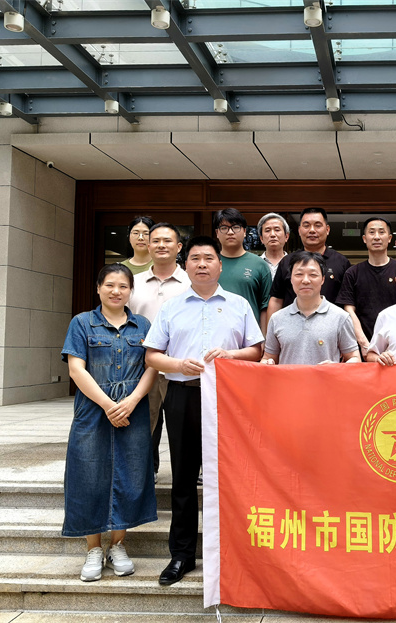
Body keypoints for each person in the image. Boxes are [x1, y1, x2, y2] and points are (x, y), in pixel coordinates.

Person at [144, 236, 264, 586]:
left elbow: (256, 351)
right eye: (194, 258)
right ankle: (182, 555)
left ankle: (234, 552)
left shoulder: (239, 304)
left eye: (208, 258)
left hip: (229, 399)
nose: (201, 264)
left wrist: (231, 355)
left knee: (231, 477)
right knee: (183, 478)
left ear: (220, 265)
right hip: (182, 396)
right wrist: (179, 364)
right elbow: (152, 356)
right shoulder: (172, 307)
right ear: (186, 265)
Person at [61, 264, 158, 582]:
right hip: (92, 410)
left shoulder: (143, 325)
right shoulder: (82, 323)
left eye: (123, 286)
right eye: (110, 285)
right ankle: (93, 548)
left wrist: (131, 401)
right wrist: (107, 405)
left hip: (133, 410)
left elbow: (152, 367)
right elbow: (76, 369)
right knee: (88, 475)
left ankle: (118, 545)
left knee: (130, 474)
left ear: (131, 291)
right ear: (98, 288)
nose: (116, 291)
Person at [128, 223, 190, 482]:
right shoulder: (134, 283)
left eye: (167, 241)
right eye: (156, 241)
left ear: (179, 247)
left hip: (181, 365)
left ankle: (190, 471)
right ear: (148, 246)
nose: (161, 245)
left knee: (184, 423)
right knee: (145, 420)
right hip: (142, 364)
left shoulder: (191, 282)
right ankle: (147, 469)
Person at [263, 251, 359, 365]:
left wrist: (336, 367)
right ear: (291, 279)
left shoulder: (341, 317)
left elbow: (355, 358)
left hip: (326, 377)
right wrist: (267, 363)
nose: (305, 280)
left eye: (313, 275)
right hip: (289, 377)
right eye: (299, 274)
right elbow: (268, 357)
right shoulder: (277, 319)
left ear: (323, 279)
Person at [335, 217, 396, 357]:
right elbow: (349, 310)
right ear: (365, 239)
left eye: (381, 232)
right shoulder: (353, 273)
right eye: (372, 232)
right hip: (363, 347)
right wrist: (364, 343)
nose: (376, 237)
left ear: (389, 238)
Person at [268, 207, 350, 315]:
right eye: (306, 226)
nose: (312, 230)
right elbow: (276, 300)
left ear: (327, 229)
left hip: (331, 324)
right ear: (299, 230)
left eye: (318, 225)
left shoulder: (341, 262)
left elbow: (348, 303)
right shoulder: (287, 261)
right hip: (292, 323)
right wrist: (271, 326)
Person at [213, 208, 272, 332]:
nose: (230, 232)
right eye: (224, 228)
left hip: (249, 336)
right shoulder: (210, 263)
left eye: (235, 227)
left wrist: (263, 337)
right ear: (217, 233)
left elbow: (265, 306)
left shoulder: (259, 265)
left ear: (244, 231)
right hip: (213, 332)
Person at [257, 212, 290, 278]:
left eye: (277, 230)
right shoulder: (255, 263)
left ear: (286, 236)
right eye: (267, 230)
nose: (272, 234)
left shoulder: (294, 263)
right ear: (261, 238)